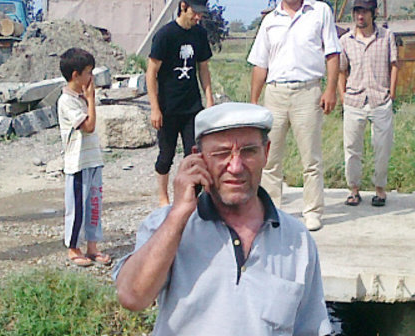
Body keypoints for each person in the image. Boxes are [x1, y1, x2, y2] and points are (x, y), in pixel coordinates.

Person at [114, 103, 331, 335]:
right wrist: (179, 213)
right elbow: (132, 297)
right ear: (198, 158)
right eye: (222, 153)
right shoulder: (167, 226)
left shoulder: (297, 240)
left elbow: (310, 329)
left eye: (248, 151)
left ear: (266, 153)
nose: (236, 167)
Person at [248, 0, 341, 231]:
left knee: (311, 158)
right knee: (269, 159)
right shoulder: (270, 21)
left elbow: (332, 53)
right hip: (276, 92)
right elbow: (260, 64)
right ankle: (271, 210)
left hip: (308, 91)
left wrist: (331, 90)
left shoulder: (320, 12)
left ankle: (313, 211)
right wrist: (253, 102)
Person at [147, 0, 214, 207]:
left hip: (192, 106)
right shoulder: (165, 35)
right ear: (183, 6)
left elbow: (203, 68)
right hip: (168, 106)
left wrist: (209, 99)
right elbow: (151, 73)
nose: (198, 18)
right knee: (166, 155)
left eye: (201, 14)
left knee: (193, 155)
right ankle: (162, 196)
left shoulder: (199, 35)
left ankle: (191, 197)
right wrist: (155, 108)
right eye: (195, 13)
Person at [338, 0, 398, 207]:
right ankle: (353, 190)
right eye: (357, 12)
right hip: (354, 100)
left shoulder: (386, 36)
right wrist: (342, 96)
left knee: (382, 148)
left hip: (380, 99)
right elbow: (341, 71)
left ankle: (379, 189)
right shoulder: (346, 40)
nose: (360, 16)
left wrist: (392, 93)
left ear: (373, 13)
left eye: (364, 12)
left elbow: (394, 65)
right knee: (352, 148)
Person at [57, 48, 111, 267]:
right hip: (77, 164)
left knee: (94, 206)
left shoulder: (80, 98)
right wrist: (91, 100)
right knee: (77, 208)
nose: (91, 78)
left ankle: (93, 246)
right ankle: (73, 247)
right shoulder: (66, 101)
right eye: (88, 73)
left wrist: (88, 100)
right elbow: (88, 126)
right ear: (75, 75)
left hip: (93, 160)